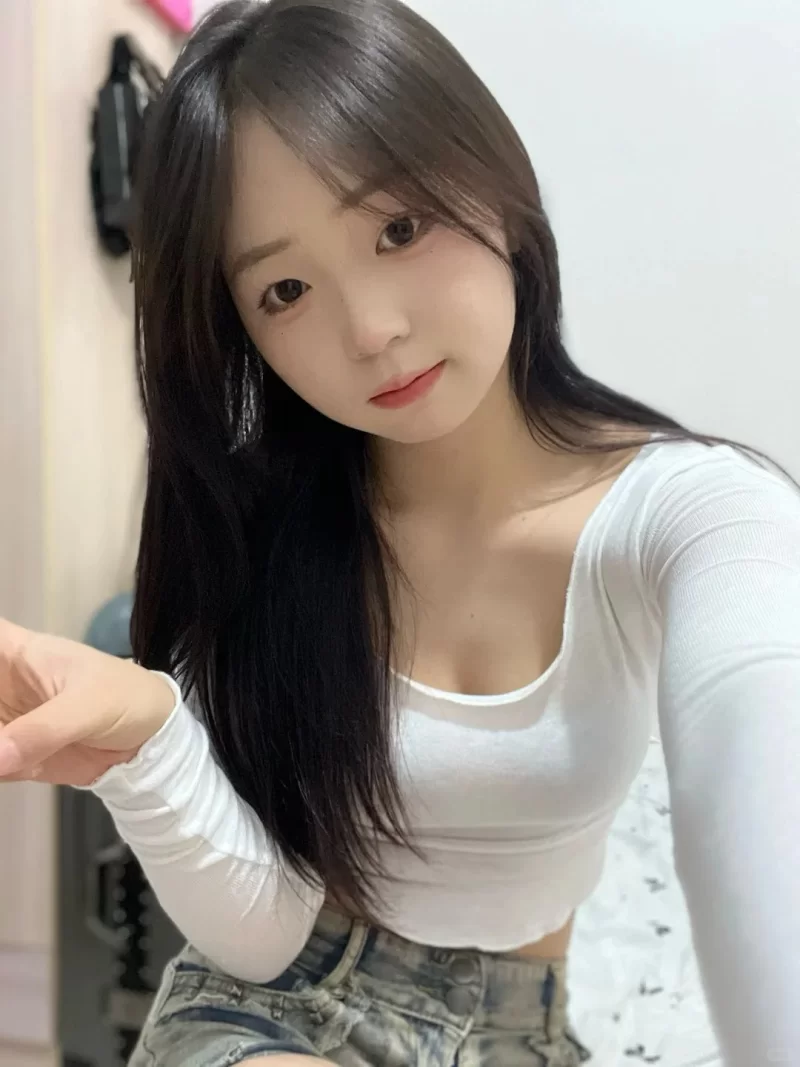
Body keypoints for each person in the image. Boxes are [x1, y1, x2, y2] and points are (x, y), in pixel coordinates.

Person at [1, 0, 798, 1063]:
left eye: (399, 228)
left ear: (492, 182)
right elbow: (262, 933)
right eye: (286, 289)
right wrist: (149, 741)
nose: (372, 329)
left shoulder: (689, 513)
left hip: (518, 1029)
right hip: (268, 1009)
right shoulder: (258, 529)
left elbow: (764, 777)